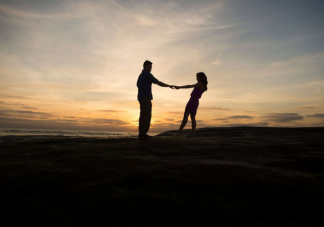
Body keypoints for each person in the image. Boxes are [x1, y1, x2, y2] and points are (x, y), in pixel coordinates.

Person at [137, 60, 175, 138]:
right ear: (146, 66)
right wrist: (168, 85)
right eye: (150, 66)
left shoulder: (141, 75)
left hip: (141, 97)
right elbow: (158, 82)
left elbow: (138, 85)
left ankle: (141, 134)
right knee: (147, 115)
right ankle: (143, 134)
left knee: (143, 115)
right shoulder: (146, 74)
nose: (151, 68)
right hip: (145, 97)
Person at [175, 72, 208, 138]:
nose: (196, 78)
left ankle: (180, 132)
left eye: (197, 77)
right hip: (196, 101)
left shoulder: (200, 84)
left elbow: (189, 86)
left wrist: (179, 87)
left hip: (193, 100)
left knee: (186, 116)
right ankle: (192, 134)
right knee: (192, 118)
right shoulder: (203, 86)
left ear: (201, 77)